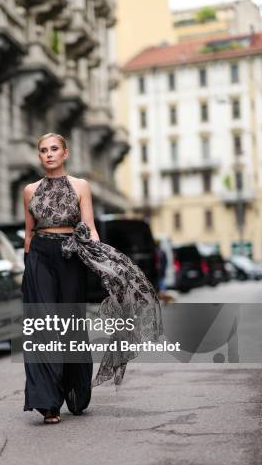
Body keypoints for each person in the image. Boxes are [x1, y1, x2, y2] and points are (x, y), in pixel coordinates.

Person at [22, 133, 162, 424]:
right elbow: (28, 234)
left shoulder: (80, 186)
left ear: (65, 153)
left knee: (70, 325)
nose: (48, 154)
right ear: (39, 156)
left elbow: (89, 227)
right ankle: (47, 403)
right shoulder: (29, 190)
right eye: (43, 150)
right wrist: (28, 265)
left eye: (54, 149)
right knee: (43, 327)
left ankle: (74, 391)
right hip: (39, 257)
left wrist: (102, 263)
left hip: (71, 256)